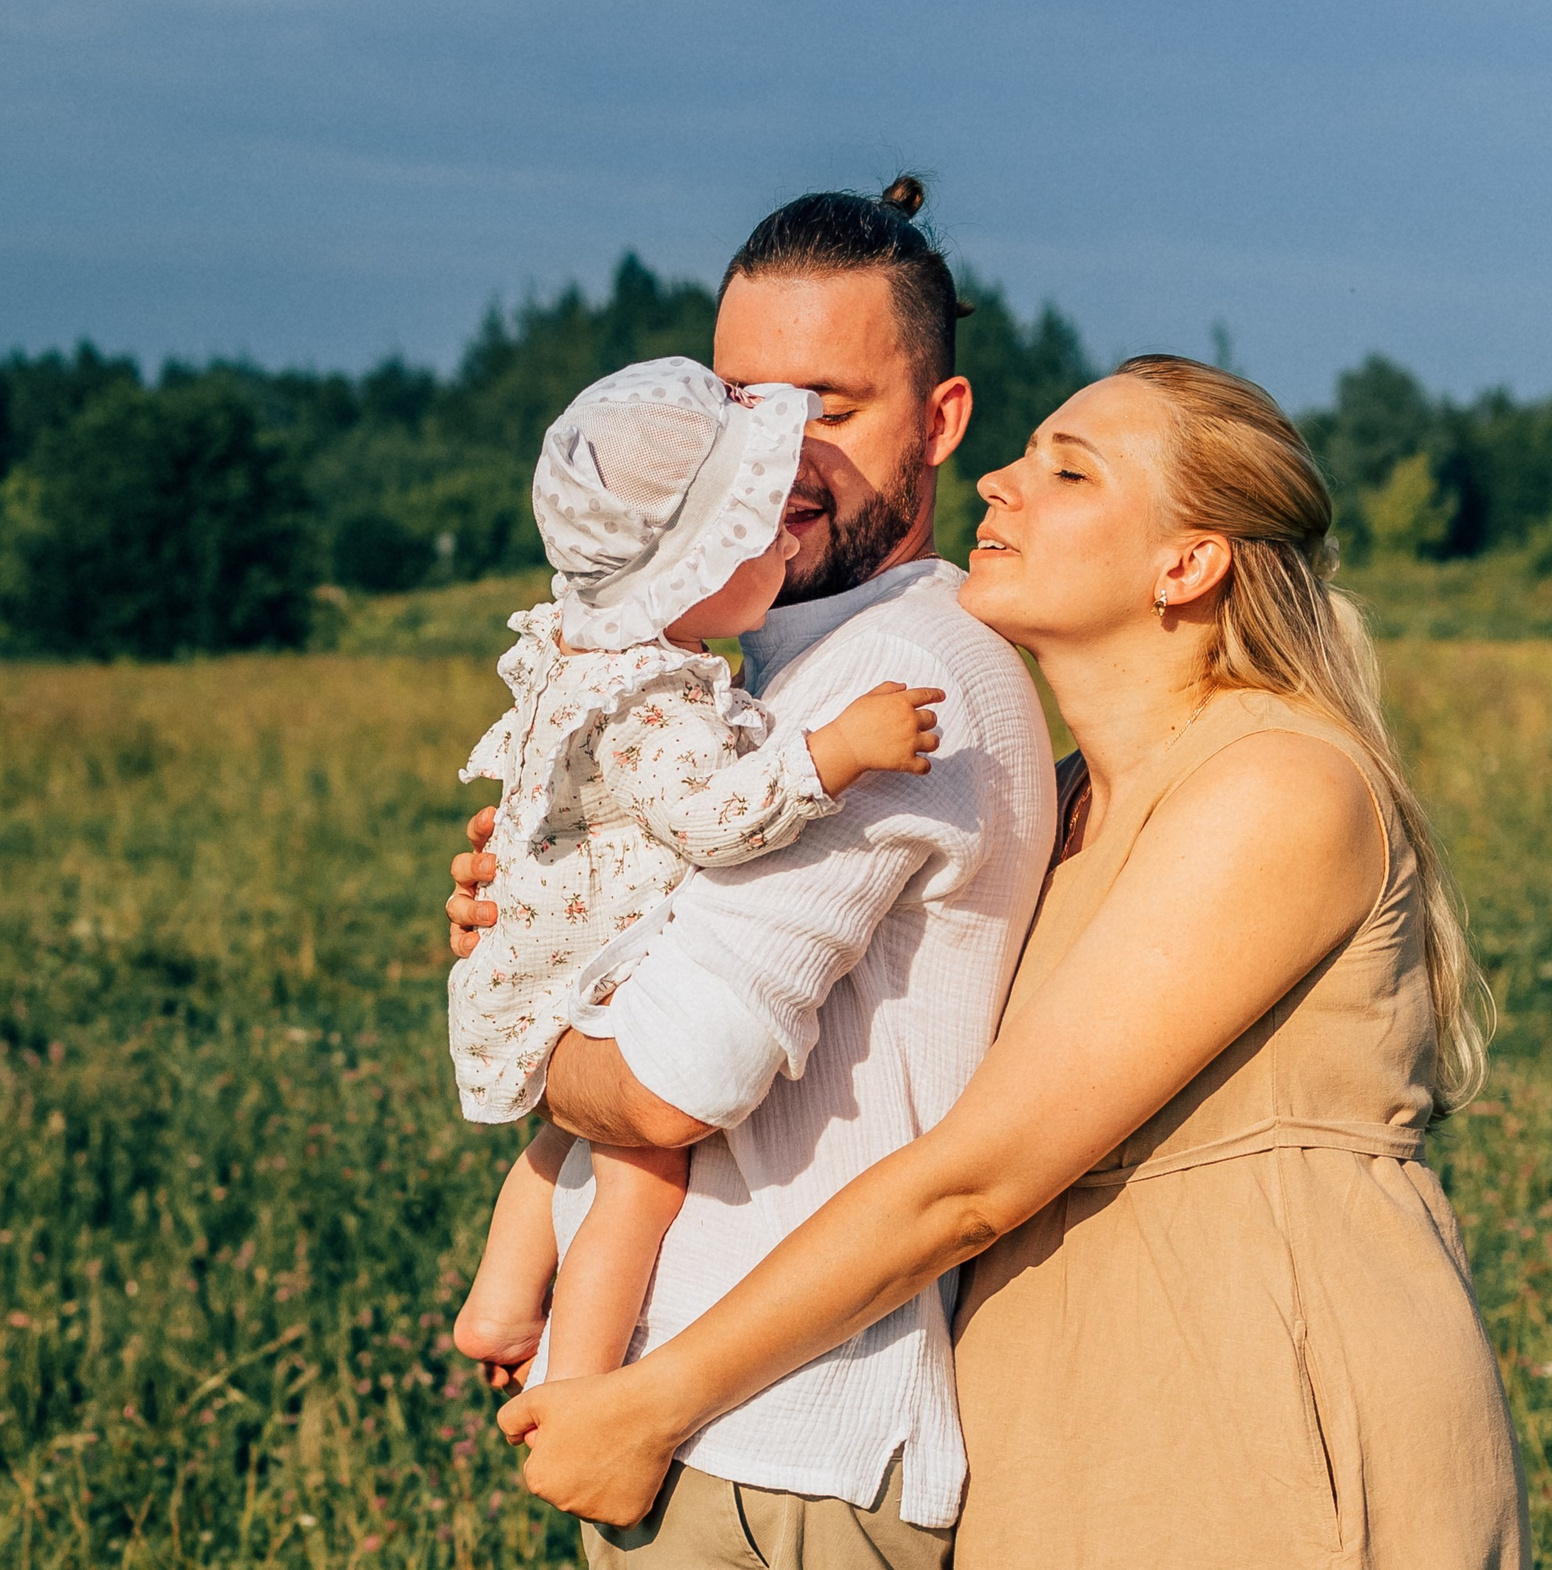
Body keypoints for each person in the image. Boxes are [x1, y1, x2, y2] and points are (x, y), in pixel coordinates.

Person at [491, 356, 1528, 1567]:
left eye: (1066, 469)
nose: (998, 482)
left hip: (1262, 1401)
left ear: (1186, 565)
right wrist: (537, 912)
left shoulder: (1274, 787)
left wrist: (655, 1399)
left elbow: (970, 1179)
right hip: (1056, 1422)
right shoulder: (1072, 800)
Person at [449, 175, 1058, 1566]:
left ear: (942, 424)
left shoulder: (892, 678)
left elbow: (676, 1078)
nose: (778, 453)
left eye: (829, 408)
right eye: (742, 403)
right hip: (719, 1430)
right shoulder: (761, 680)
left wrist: (514, 999)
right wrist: (548, 904)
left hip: (780, 1456)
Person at [447, 358, 945, 1389]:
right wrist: (833, 753)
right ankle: (581, 1381)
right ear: (692, 567)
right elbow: (714, 820)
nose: (780, 534)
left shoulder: (588, 661)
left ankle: (500, 1298)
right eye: (751, 529)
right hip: (593, 962)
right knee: (641, 1173)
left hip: (549, 956)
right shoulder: (657, 699)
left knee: (564, 1137)